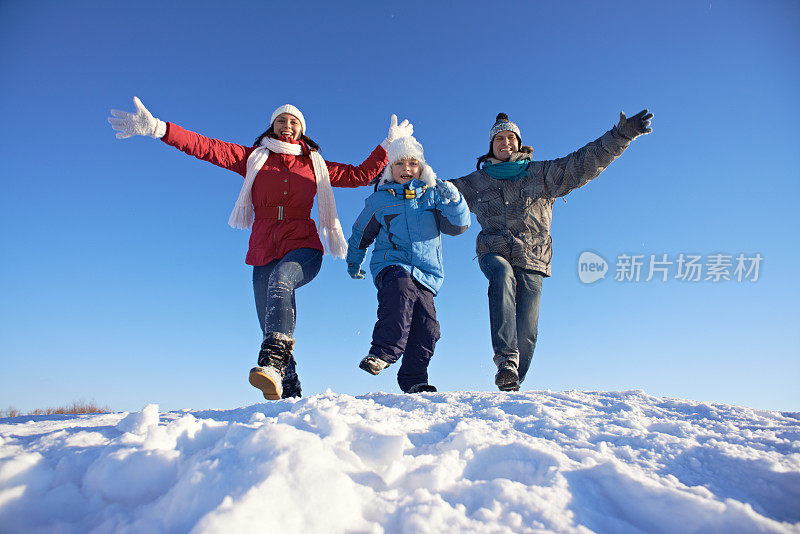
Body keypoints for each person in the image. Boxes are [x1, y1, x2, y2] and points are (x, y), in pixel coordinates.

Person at [108, 97, 413, 400]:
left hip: (303, 246)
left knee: (280, 281)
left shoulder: (314, 165)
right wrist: (159, 128)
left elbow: (359, 175)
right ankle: (288, 384)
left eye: (294, 122)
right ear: (272, 126)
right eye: (281, 120)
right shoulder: (254, 158)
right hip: (263, 248)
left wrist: (388, 144)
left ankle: (269, 362)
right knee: (270, 325)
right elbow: (205, 146)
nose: (287, 126)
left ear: (302, 130)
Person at [450, 110, 654, 391]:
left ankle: (512, 381)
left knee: (528, 331)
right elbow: (438, 191)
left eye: (510, 137)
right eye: (499, 138)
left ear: (519, 143)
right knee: (501, 274)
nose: (505, 142)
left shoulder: (543, 174)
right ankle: (506, 362)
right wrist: (404, 179)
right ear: (491, 145)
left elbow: (584, 162)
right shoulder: (475, 183)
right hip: (493, 250)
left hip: (533, 256)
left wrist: (621, 134)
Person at [346, 135, 470, 393]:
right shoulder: (380, 200)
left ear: (422, 168)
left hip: (426, 273)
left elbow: (458, 227)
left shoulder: (433, 196)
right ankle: (382, 352)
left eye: (413, 163)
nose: (406, 169)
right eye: (399, 164)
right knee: (400, 292)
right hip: (391, 265)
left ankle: (414, 379)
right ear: (390, 168)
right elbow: (361, 234)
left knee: (427, 326)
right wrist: (354, 261)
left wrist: (456, 200)